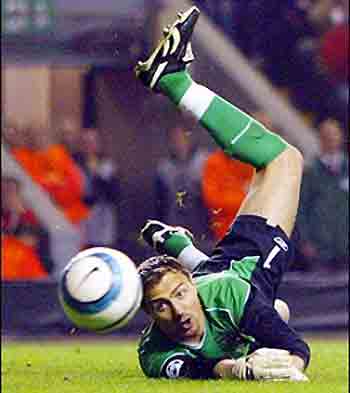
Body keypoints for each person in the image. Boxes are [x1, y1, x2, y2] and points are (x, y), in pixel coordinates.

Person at [133, 6, 310, 381]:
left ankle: (176, 82)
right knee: (274, 309)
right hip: (227, 270)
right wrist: (241, 368)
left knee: (284, 159)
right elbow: (194, 367)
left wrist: (281, 368)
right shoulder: (152, 352)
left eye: (179, 295)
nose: (177, 312)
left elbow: (298, 352)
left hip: (248, 261)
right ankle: (177, 244)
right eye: (161, 306)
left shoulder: (223, 296)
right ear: (148, 317)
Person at [294, 118, 348, 272]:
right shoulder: (311, 172)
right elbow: (301, 209)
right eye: (326, 134)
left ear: (341, 137)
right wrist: (305, 240)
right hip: (320, 249)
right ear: (320, 139)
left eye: (334, 134)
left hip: (345, 246)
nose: (331, 138)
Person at [154, 124, 210, 243]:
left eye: (181, 138)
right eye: (174, 140)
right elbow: (160, 201)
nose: (178, 143)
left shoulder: (204, 161)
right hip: (175, 221)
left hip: (201, 221)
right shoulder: (164, 167)